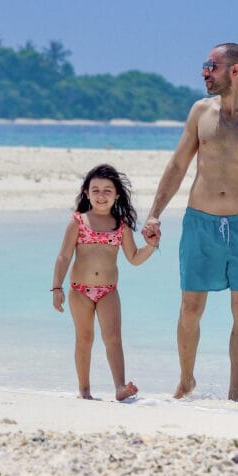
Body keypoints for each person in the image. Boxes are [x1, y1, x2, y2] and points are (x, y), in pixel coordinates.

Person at [141, 42, 238, 401]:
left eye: (211, 66)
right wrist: (154, 212)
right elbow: (178, 165)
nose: (204, 72)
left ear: (236, 70)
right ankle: (186, 379)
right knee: (191, 308)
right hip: (201, 222)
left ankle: (236, 393)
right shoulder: (200, 111)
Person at [52, 164, 159, 401]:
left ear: (117, 195)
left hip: (109, 291)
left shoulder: (121, 226)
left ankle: (120, 386)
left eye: (107, 190)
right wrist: (57, 287)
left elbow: (134, 258)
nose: (101, 195)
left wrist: (151, 246)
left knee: (113, 337)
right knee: (85, 338)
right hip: (79, 290)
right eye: (96, 190)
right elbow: (64, 256)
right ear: (87, 193)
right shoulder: (78, 222)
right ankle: (84, 390)